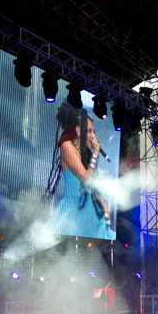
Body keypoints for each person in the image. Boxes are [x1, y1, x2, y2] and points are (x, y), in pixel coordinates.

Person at [45, 102, 113, 239]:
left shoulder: (85, 152)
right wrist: (96, 153)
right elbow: (85, 178)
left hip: (90, 212)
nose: (93, 136)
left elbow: (92, 184)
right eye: (89, 131)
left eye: (93, 131)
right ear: (78, 130)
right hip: (74, 211)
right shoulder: (66, 146)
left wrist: (102, 203)